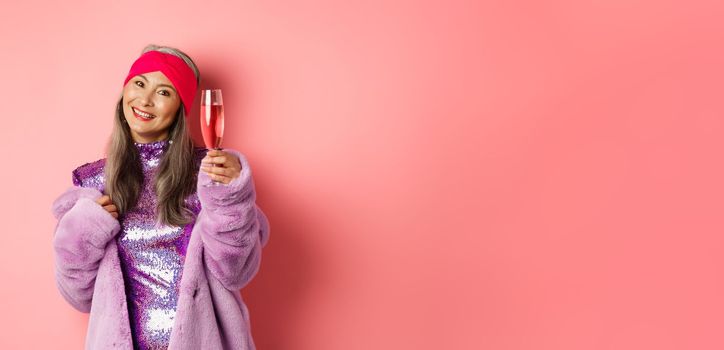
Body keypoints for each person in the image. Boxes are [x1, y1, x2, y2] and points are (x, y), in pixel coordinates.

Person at [50, 44, 270, 350]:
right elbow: (78, 295)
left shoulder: (209, 173)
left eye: (164, 92)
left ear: (180, 107)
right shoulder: (92, 183)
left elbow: (236, 273)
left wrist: (229, 198)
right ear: (125, 90)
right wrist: (84, 230)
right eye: (139, 83)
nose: (146, 99)